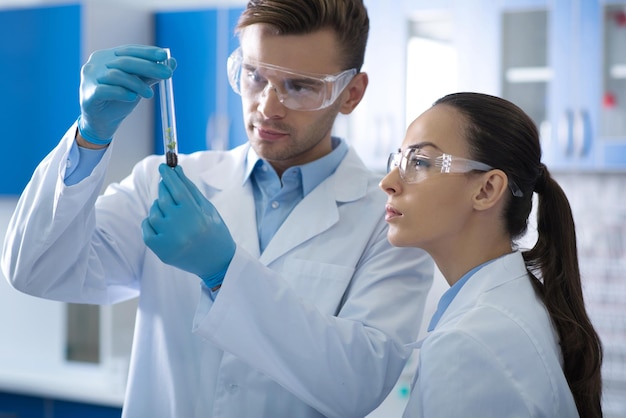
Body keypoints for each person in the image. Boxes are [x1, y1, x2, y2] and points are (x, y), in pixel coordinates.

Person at [1, 1, 434, 417]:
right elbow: (35, 269)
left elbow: (358, 385)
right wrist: (89, 136)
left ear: (351, 93)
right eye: (254, 76)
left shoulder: (390, 221)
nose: (267, 107)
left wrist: (223, 271)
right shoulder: (163, 181)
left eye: (300, 86)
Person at [381, 92, 603, 418]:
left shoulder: (468, 345)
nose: (388, 183)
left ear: (486, 190)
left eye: (420, 162)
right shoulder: (511, 304)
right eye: (399, 160)